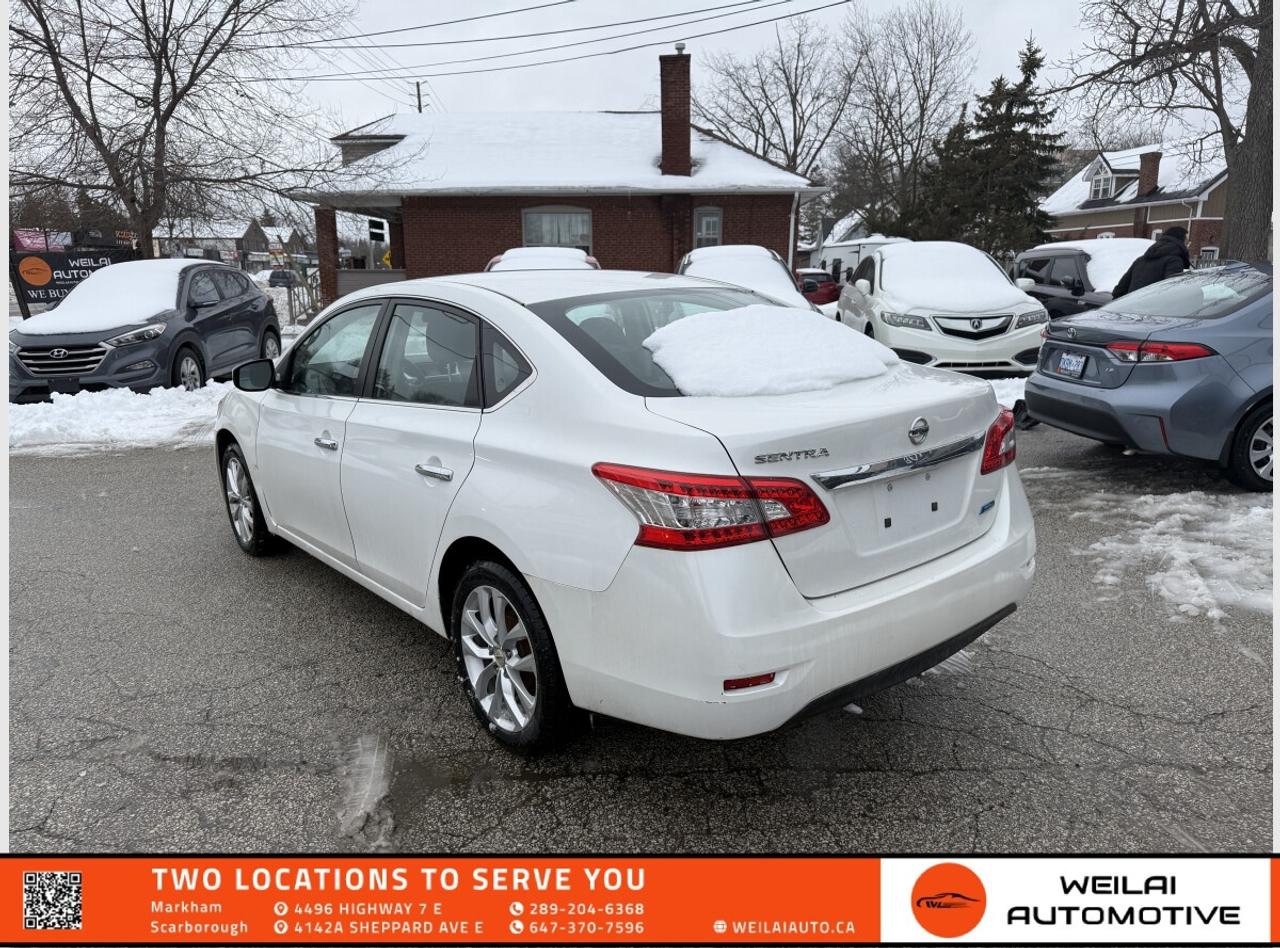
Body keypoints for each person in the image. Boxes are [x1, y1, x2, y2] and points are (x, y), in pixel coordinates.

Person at [1111, 226, 1190, 297]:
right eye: (1187, 241)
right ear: (1180, 242)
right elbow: (1172, 291)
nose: (1188, 245)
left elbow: (1120, 290)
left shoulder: (1140, 260)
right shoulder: (1174, 261)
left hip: (1130, 307)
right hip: (1155, 310)